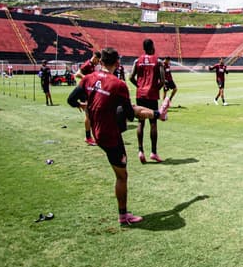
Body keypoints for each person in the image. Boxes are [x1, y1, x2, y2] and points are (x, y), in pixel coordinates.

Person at [68, 47, 168, 226]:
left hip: (97, 132)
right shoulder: (118, 85)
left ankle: (158, 114)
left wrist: (83, 105)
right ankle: (123, 216)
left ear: (100, 61)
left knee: (128, 110)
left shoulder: (88, 78)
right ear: (117, 63)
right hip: (110, 135)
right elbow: (130, 115)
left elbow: (70, 100)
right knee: (122, 176)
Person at [130, 38, 166, 164]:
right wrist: (155, 89)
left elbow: (130, 77)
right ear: (152, 47)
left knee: (141, 123)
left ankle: (140, 151)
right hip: (152, 95)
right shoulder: (158, 61)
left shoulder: (137, 61)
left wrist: (139, 86)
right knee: (153, 123)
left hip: (140, 95)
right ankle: (153, 152)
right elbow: (162, 80)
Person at [75, 51, 101, 146]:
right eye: (98, 60)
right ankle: (88, 137)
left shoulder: (92, 65)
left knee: (91, 115)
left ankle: (91, 136)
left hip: (88, 92)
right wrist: (87, 78)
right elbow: (77, 74)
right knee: (88, 115)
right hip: (84, 92)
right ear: (94, 57)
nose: (98, 63)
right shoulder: (87, 64)